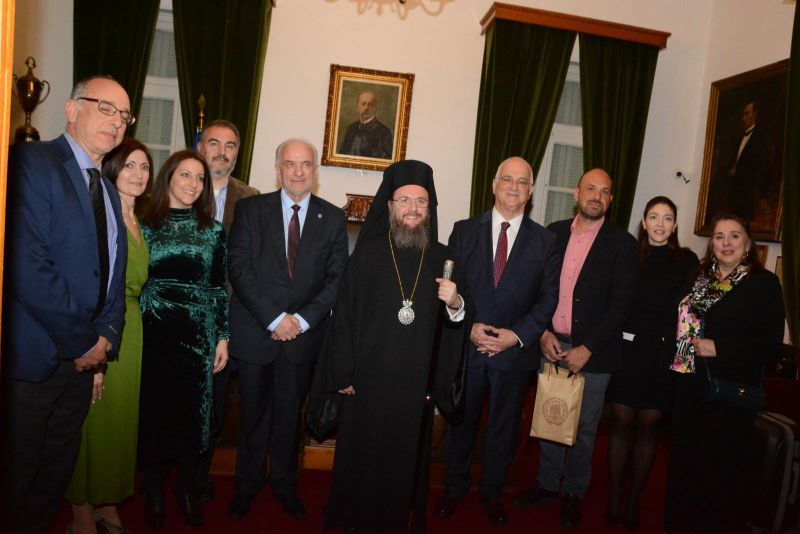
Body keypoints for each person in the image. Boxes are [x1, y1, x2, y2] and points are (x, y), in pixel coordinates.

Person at [1, 75, 130, 533]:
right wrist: (84, 342)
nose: (117, 122)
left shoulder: (108, 189)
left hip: (81, 366)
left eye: (124, 115)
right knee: (15, 475)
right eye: (105, 108)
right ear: (72, 109)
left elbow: (112, 275)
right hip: (35, 359)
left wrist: (106, 337)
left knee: (55, 472)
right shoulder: (30, 162)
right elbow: (28, 264)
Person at [312, 159, 467, 533]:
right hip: (366, 384)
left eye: (421, 201)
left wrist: (456, 303)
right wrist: (343, 373)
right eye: (404, 200)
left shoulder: (444, 259)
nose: (413, 208)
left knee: (403, 462)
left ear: (429, 208)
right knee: (360, 457)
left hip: (413, 388)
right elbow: (344, 315)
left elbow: (456, 326)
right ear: (390, 206)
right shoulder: (367, 254)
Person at [227, 138, 348, 522]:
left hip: (303, 338)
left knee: (288, 418)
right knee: (251, 416)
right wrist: (275, 319)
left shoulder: (332, 217)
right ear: (278, 169)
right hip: (256, 332)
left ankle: (284, 484)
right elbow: (239, 269)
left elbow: (337, 279)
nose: (298, 171)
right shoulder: (250, 210)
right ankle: (246, 485)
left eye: (306, 164)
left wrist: (301, 320)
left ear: (315, 171)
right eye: (290, 164)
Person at [436, 157, 560, 525]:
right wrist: (470, 325)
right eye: (508, 179)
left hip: (514, 354)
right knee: (461, 424)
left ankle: (492, 492)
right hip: (470, 346)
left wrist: (516, 336)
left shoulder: (546, 241)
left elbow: (548, 299)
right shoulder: (463, 231)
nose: (514, 187)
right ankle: (454, 488)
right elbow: (452, 286)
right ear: (494, 184)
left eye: (522, 182)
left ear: (531, 191)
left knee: (504, 430)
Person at [512, 168, 638, 529]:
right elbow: (535, 289)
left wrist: (588, 348)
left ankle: (573, 491)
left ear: (610, 200)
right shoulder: (552, 233)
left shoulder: (623, 244)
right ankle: (548, 484)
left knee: (583, 429)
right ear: (576, 193)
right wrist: (541, 332)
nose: (597, 196)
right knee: (550, 420)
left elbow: (621, 307)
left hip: (593, 353)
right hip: (551, 344)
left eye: (605, 191)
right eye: (591, 189)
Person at [664, 212, 785, 533]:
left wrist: (721, 348)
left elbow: (770, 342)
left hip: (730, 394)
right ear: (712, 244)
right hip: (689, 388)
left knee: (722, 473)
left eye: (734, 236)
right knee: (685, 467)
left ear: (748, 244)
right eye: (719, 236)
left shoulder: (762, 283)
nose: (726, 242)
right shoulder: (698, 276)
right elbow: (677, 320)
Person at [65, 138, 153, 534]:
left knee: (119, 422)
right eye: (129, 165)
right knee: (92, 421)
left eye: (144, 167)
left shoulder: (140, 220)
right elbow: (91, 286)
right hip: (104, 331)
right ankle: (80, 506)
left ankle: (107, 499)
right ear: (113, 170)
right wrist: (96, 358)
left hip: (133, 334)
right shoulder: (101, 215)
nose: (138, 174)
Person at [138, 150, 229, 529]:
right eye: (185, 175)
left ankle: (186, 489)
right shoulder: (144, 224)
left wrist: (222, 337)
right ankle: (155, 491)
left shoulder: (213, 231)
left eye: (200, 178)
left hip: (197, 336)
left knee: (193, 417)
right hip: (153, 332)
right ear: (169, 178)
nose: (193, 184)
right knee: (155, 413)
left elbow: (219, 288)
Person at [604, 196, 698, 531]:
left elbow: (690, 314)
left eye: (667, 218)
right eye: (654, 217)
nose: (660, 224)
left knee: (648, 428)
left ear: (674, 225)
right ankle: (615, 494)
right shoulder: (628, 254)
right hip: (627, 352)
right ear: (644, 222)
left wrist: (682, 363)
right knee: (620, 424)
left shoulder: (687, 260)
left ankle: (633, 500)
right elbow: (612, 302)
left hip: (662, 355)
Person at [194, 119, 259, 501]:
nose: (222, 152)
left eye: (230, 145)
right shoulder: (180, 186)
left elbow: (253, 266)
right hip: (177, 316)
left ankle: (199, 476)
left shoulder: (252, 199)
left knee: (214, 407)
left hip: (226, 322)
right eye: (214, 143)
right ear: (200, 147)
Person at [337, 91, 394, 159]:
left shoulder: (384, 131)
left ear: (375, 108)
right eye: (363, 104)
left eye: (370, 104)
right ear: (357, 107)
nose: (366, 108)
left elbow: (388, 159)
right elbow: (342, 155)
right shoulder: (351, 128)